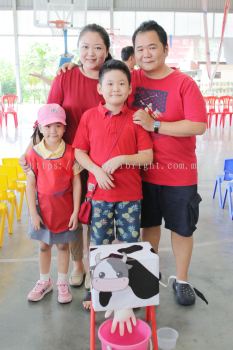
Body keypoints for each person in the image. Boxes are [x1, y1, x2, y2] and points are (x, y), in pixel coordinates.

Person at [21, 23, 112, 290]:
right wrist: (31, 145)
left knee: (96, 215)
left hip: (101, 161)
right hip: (67, 160)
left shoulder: (112, 77)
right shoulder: (65, 77)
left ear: (106, 51)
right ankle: (77, 265)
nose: (91, 53)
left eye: (98, 47)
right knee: (70, 215)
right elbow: (48, 115)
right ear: (77, 49)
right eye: (85, 47)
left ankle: (96, 265)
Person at [129, 20, 207, 306]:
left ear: (165, 48)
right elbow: (100, 80)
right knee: (148, 228)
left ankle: (182, 280)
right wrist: (69, 68)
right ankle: (148, 275)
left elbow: (198, 125)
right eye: (140, 49)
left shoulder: (184, 83)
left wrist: (156, 125)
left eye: (152, 47)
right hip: (141, 173)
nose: (146, 54)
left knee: (182, 229)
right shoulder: (132, 78)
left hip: (179, 174)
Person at [73, 59, 153, 314]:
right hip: (99, 195)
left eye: (121, 83)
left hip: (130, 196)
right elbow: (79, 152)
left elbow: (147, 156)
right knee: (100, 244)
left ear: (130, 89)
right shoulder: (89, 117)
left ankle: (129, 292)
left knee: (130, 242)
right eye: (109, 83)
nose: (115, 88)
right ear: (99, 88)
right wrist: (96, 170)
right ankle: (99, 289)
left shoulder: (136, 119)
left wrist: (121, 159)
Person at [26, 103, 82, 304]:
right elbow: (30, 185)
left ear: (65, 128)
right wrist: (33, 213)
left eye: (58, 125)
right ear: (40, 128)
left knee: (63, 246)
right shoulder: (34, 154)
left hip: (64, 210)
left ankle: (62, 282)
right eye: (48, 126)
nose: (53, 130)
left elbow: (76, 183)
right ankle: (44, 281)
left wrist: (76, 211)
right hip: (43, 210)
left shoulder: (70, 153)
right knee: (43, 246)